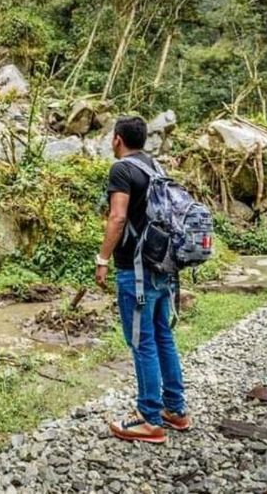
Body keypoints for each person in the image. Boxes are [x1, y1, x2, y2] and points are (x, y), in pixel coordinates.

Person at [95, 116, 190, 443]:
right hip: (164, 270)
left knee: (142, 342)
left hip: (136, 273)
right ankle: (175, 410)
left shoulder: (122, 169)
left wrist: (102, 258)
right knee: (163, 336)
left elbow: (117, 216)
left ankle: (149, 419)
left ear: (117, 139)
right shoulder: (156, 168)